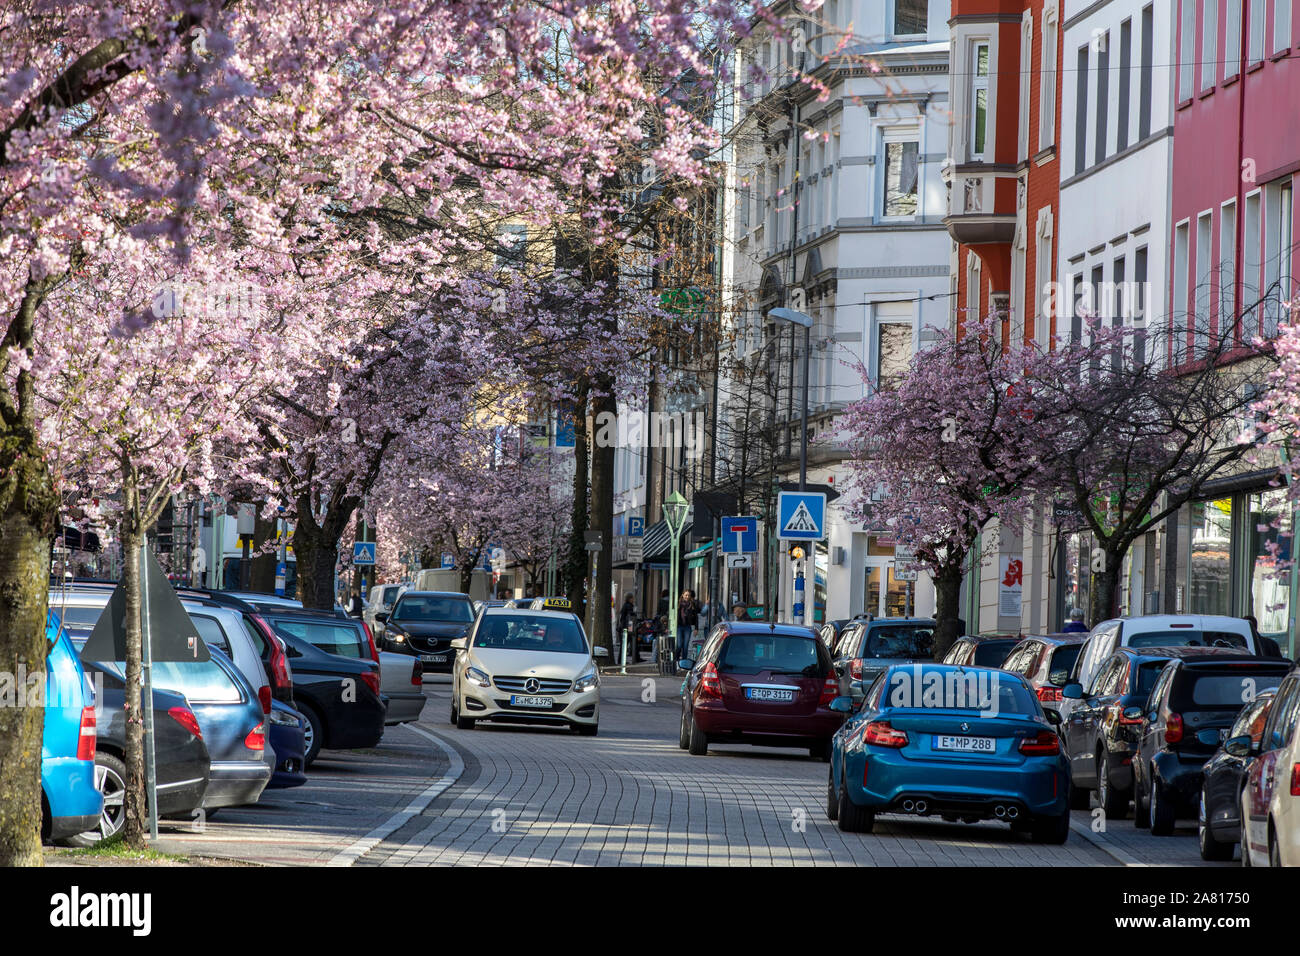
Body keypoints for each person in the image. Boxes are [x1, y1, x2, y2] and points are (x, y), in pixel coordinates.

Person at [677, 589, 700, 661]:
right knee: (679, 644)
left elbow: (696, 617)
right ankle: (676, 659)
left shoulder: (692, 604)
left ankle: (683, 661)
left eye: (688, 595)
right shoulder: (678, 604)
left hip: (687, 626)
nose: (687, 597)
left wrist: (696, 628)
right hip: (679, 626)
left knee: (685, 645)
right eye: (686, 595)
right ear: (683, 595)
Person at [619, 594, 639, 663]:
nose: (633, 600)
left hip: (625, 627)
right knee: (627, 643)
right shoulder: (628, 606)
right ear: (629, 598)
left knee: (625, 644)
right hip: (627, 627)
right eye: (632, 598)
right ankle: (624, 660)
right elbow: (631, 616)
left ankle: (622, 660)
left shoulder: (625, 605)